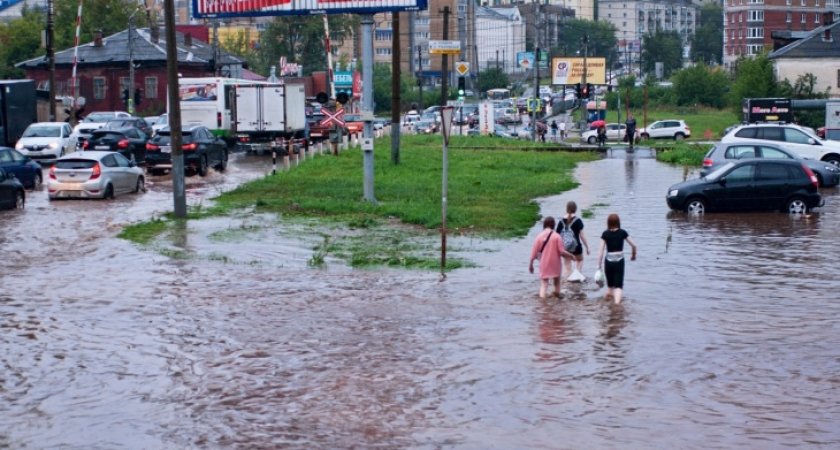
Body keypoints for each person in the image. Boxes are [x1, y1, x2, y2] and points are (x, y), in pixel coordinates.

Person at [597, 214, 638, 305]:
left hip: (608, 262)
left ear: (608, 223)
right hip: (619, 262)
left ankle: (607, 303)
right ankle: (616, 305)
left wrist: (599, 265)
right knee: (618, 286)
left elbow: (600, 252)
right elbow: (634, 245)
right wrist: (633, 255)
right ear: (618, 222)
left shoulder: (605, 234)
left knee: (610, 286)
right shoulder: (623, 233)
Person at [529, 217, 575, 299]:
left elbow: (534, 252)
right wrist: (571, 256)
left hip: (544, 263)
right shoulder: (557, 236)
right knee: (557, 282)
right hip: (555, 263)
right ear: (553, 225)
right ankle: (556, 299)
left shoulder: (539, 236)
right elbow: (562, 251)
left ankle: (543, 304)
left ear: (544, 225)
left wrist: (531, 264)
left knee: (544, 284)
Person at [557, 201, 590, 279]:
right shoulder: (578, 220)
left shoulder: (561, 221)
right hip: (576, 247)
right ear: (575, 209)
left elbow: (557, 236)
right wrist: (587, 247)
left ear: (566, 209)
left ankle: (565, 286)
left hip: (565, 248)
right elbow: (582, 236)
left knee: (567, 268)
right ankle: (576, 277)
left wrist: (558, 249)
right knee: (580, 260)